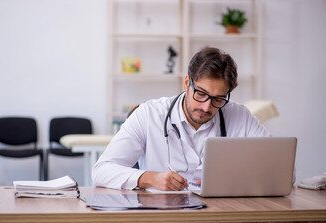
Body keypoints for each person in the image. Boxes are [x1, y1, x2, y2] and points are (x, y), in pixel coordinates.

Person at [93, 47, 270, 191]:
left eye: (218, 99)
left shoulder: (241, 117)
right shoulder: (148, 114)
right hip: (163, 217)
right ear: (187, 83)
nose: (206, 107)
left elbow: (282, 173)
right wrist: (149, 178)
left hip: (220, 213)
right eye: (201, 93)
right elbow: (101, 171)